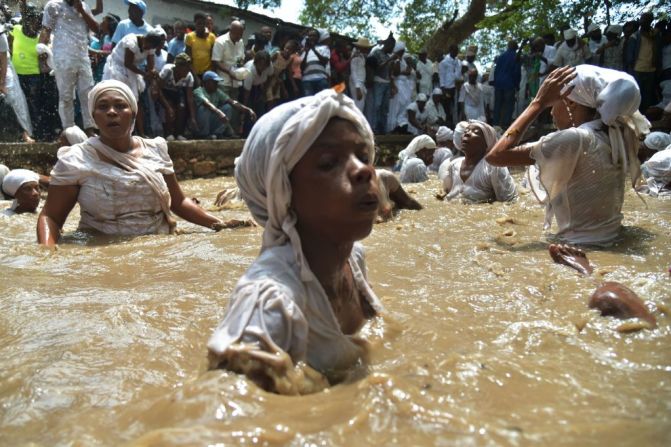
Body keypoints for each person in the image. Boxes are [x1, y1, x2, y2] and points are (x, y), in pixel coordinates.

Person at [207, 88, 384, 395]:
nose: (364, 170)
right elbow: (226, 407)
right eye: (329, 163)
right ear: (283, 192)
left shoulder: (353, 258)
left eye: (363, 156)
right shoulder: (269, 301)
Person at [37, 80, 231, 246]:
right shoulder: (76, 160)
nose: (112, 112)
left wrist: (220, 224)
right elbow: (51, 217)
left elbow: (178, 202)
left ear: (133, 113)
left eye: (120, 106)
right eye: (103, 107)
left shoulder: (156, 149)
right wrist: (47, 255)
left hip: (161, 247)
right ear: (94, 117)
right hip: (101, 252)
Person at [486, 65, 649, 246]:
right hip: (613, 239)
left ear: (571, 103)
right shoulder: (613, 135)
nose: (551, 111)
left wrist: (538, 103)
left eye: (553, 103)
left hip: (580, 246)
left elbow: (496, 156)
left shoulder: (577, 138)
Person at [41, 0, 100, 134]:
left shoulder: (84, 6)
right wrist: (42, 51)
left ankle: (90, 129)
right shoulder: (53, 6)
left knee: (88, 94)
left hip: (82, 58)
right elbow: (46, 30)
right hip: (63, 58)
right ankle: (69, 130)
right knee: (66, 96)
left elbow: (97, 29)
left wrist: (82, 11)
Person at [441, 120, 516, 203]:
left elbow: (508, 201)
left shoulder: (494, 167)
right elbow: (445, 192)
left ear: (486, 143)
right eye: (466, 131)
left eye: (475, 132)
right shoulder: (453, 165)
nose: (467, 133)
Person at [194, 71, 256, 139]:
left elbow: (232, 102)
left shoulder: (217, 91)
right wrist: (219, 113)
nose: (216, 84)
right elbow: (207, 103)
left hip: (210, 121)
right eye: (214, 82)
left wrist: (248, 110)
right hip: (197, 124)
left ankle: (217, 133)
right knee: (204, 108)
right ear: (206, 82)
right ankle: (203, 134)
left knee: (228, 107)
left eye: (216, 82)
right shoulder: (198, 91)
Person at [1, 22, 34, 142]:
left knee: (11, 100)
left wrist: (1, 82)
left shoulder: (1, 35)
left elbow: (3, 60)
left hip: (4, 71)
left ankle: (24, 134)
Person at [211, 19, 245, 129]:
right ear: (231, 31)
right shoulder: (220, 41)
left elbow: (241, 59)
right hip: (223, 81)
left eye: (241, 34)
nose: (239, 36)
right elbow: (216, 61)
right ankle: (220, 132)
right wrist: (230, 72)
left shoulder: (240, 42)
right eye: (237, 34)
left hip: (236, 81)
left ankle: (232, 132)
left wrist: (240, 68)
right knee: (224, 108)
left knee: (235, 107)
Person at [626, 12, 662, 113]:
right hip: (637, 69)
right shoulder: (635, 36)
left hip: (651, 69)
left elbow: (659, 51)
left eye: (647, 19)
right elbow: (630, 56)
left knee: (648, 95)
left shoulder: (655, 35)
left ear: (650, 21)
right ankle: (636, 114)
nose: (644, 21)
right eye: (643, 19)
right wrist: (630, 70)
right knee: (637, 94)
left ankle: (646, 115)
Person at [155, 53, 196, 140]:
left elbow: (190, 98)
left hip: (177, 92)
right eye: (185, 67)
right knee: (169, 109)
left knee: (182, 107)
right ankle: (168, 133)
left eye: (189, 67)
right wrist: (168, 107)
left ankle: (179, 133)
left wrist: (193, 117)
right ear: (178, 67)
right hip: (164, 91)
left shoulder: (189, 77)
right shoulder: (167, 70)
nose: (188, 70)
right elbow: (158, 88)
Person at [367, 34, 396, 133]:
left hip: (387, 83)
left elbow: (390, 72)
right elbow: (376, 68)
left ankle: (383, 129)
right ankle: (374, 128)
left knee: (385, 108)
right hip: (378, 82)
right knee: (377, 105)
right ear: (388, 45)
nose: (392, 49)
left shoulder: (388, 56)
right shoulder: (376, 53)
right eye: (392, 47)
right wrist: (389, 60)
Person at [387, 41, 414, 133]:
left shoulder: (403, 60)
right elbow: (396, 72)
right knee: (396, 105)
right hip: (398, 83)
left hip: (404, 84)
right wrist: (398, 61)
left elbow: (408, 72)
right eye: (402, 51)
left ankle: (401, 124)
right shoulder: (395, 59)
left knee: (404, 105)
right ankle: (392, 127)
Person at [493, 40, 521, 127]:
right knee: (509, 105)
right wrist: (517, 85)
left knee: (498, 105)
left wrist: (496, 82)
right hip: (510, 84)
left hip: (499, 84)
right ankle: (505, 125)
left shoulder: (501, 56)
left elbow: (496, 71)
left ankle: (496, 124)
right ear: (515, 48)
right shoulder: (516, 57)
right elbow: (517, 72)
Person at [300, 28, 331, 96]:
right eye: (310, 36)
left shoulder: (324, 48)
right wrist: (307, 53)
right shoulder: (305, 50)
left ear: (318, 38)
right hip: (307, 80)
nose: (312, 37)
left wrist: (313, 49)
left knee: (323, 101)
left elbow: (324, 62)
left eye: (314, 35)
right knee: (309, 103)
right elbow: (302, 67)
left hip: (321, 79)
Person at [185, 12, 215, 77]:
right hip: (193, 72)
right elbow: (188, 59)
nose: (201, 26)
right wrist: (195, 77)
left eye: (203, 24)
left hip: (207, 73)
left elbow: (213, 57)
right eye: (198, 24)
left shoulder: (212, 37)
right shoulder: (190, 37)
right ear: (195, 23)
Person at [439, 44, 462, 125]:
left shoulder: (459, 62)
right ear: (450, 51)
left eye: (457, 50)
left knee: (456, 108)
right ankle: (448, 124)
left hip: (457, 87)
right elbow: (441, 76)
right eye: (455, 50)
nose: (456, 52)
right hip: (447, 88)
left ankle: (455, 123)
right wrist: (443, 89)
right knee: (447, 108)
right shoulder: (444, 62)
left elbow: (459, 74)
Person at [348, 37, 372, 112]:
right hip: (357, 83)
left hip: (361, 83)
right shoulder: (356, 56)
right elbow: (353, 72)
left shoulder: (361, 56)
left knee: (360, 107)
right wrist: (357, 87)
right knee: (358, 107)